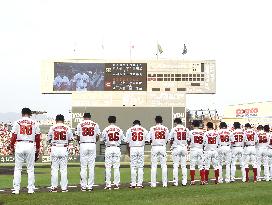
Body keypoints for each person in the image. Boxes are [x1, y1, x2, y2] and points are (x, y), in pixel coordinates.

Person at [9, 108, 41, 194]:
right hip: (30, 145)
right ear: (30, 114)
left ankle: (16, 189)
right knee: (30, 169)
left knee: (18, 168)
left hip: (19, 144)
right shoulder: (35, 122)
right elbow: (37, 137)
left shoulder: (17, 122)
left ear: (22, 113)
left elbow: (13, 136)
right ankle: (30, 189)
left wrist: (12, 147)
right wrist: (38, 148)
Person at [47, 114, 74, 192]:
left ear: (56, 120)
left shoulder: (52, 127)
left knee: (54, 169)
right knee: (63, 169)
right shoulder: (67, 128)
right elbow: (70, 139)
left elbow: (49, 139)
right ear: (63, 120)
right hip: (64, 147)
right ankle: (64, 188)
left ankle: (54, 187)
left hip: (55, 147)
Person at [76, 113, 101, 191]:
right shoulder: (95, 124)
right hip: (92, 144)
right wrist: (93, 141)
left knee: (83, 167)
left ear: (84, 117)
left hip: (83, 144)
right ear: (90, 117)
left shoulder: (80, 124)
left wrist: (81, 141)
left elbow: (77, 136)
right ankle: (90, 186)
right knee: (91, 167)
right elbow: (97, 136)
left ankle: (83, 186)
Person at [101, 116, 124, 190]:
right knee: (116, 167)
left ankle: (108, 185)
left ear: (108, 121)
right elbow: (122, 139)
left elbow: (103, 139)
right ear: (115, 120)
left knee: (108, 167)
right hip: (117, 148)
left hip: (109, 148)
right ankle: (116, 184)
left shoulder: (106, 129)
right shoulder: (119, 129)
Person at [124, 120, 148, 188]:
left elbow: (127, 142)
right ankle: (140, 184)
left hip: (133, 148)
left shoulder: (129, 130)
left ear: (133, 124)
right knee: (140, 166)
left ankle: (133, 184)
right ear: (140, 124)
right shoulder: (144, 129)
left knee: (133, 166)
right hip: (140, 148)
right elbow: (148, 140)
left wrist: (128, 151)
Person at [148, 116, 169, 187]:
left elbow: (149, 139)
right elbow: (167, 140)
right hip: (162, 147)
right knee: (164, 166)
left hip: (155, 147)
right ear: (162, 121)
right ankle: (165, 183)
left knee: (154, 166)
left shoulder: (152, 128)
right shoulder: (165, 128)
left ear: (155, 121)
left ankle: (153, 184)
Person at [169, 118, 189, 186]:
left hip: (176, 147)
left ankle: (176, 182)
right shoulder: (186, 129)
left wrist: (170, 146)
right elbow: (188, 140)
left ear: (176, 122)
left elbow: (171, 139)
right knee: (184, 166)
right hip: (184, 147)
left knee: (175, 166)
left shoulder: (174, 129)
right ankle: (184, 182)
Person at [188, 120, 205, 185]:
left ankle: (192, 181)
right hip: (200, 149)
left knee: (192, 166)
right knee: (201, 166)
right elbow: (205, 142)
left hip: (193, 149)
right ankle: (202, 180)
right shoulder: (203, 132)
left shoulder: (191, 132)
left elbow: (188, 140)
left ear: (193, 125)